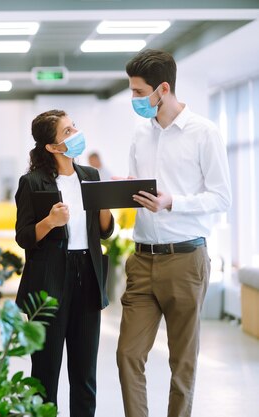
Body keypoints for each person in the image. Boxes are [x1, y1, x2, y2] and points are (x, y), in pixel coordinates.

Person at [116, 49, 232, 417]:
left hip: (185, 259)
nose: (133, 99)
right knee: (127, 354)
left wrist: (172, 202)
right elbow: (142, 190)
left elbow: (221, 197)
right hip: (142, 259)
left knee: (182, 362)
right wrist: (125, 190)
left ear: (163, 89)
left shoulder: (204, 133)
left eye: (138, 92)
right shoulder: (140, 134)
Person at [14, 109, 114, 417]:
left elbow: (106, 231)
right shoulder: (32, 182)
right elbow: (24, 237)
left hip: (87, 275)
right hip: (49, 281)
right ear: (52, 147)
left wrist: (106, 203)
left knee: (85, 373)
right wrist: (50, 221)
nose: (75, 134)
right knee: (45, 372)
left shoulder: (91, 177)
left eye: (74, 127)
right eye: (67, 132)